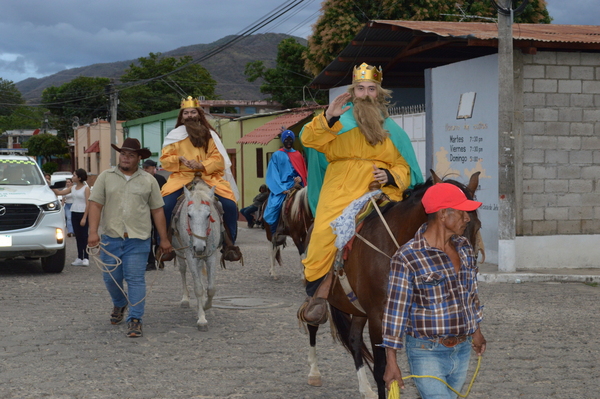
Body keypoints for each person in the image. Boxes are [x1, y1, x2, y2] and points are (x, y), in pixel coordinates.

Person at [299, 63, 423, 307]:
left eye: (371, 89)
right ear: (353, 92)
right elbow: (308, 138)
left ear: (379, 93)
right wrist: (328, 116)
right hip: (341, 188)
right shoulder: (336, 122)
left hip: (380, 190)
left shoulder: (392, 130)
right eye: (360, 89)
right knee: (325, 232)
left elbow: (405, 167)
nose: (366, 94)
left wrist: (390, 175)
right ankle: (318, 294)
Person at [382, 183, 486, 399]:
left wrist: (476, 331)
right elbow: (395, 312)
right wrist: (391, 361)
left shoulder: (464, 247)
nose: (467, 218)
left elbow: (470, 296)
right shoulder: (407, 257)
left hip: (463, 348)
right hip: (425, 350)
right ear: (442, 213)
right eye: (462, 212)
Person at [88, 138, 173, 338]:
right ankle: (120, 303)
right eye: (123, 154)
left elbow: (158, 211)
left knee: (135, 279)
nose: (126, 158)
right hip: (111, 238)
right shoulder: (105, 177)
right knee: (110, 278)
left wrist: (164, 239)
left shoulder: (149, 180)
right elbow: (95, 204)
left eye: (131, 155)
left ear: (139, 158)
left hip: (138, 238)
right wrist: (93, 232)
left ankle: (135, 319)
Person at [160, 96, 241, 262]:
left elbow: (219, 159)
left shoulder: (210, 136)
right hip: (181, 178)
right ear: (181, 117)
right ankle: (163, 244)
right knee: (165, 206)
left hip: (209, 178)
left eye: (192, 112)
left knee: (230, 205)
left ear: (199, 114)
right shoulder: (174, 136)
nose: (189, 116)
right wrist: (179, 159)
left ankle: (229, 245)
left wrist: (201, 165)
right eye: (186, 113)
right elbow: (165, 160)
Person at [263, 130, 307, 235]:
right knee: (274, 205)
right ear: (283, 140)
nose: (288, 142)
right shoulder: (277, 155)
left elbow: (302, 172)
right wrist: (281, 189)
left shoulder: (298, 155)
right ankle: (274, 232)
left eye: (290, 140)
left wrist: (300, 179)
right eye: (286, 140)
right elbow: (273, 173)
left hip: (296, 185)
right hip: (282, 186)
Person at [53, 169, 90, 266]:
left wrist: (85, 218)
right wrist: (50, 186)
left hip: (83, 213)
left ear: (79, 177)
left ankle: (86, 257)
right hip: (74, 212)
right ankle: (79, 257)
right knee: (77, 236)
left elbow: (88, 203)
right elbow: (60, 192)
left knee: (84, 236)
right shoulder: (73, 188)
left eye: (74, 175)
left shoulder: (86, 188)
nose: (72, 177)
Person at [142, 159, 167, 271]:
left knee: (159, 237)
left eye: (147, 168)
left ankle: (160, 259)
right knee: (147, 237)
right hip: (145, 213)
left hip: (158, 212)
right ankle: (150, 262)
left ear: (154, 168)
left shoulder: (161, 180)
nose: (145, 170)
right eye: (144, 168)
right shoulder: (141, 180)